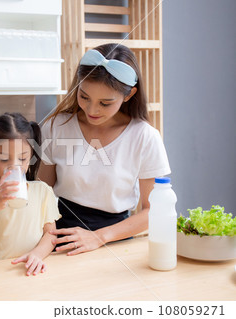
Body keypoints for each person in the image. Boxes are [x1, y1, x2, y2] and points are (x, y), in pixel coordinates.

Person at [38, 43, 170, 255]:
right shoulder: (56, 126)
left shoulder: (145, 137)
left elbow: (154, 210)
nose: (92, 109)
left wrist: (99, 237)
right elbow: (41, 191)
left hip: (117, 241)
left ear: (128, 95)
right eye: (84, 96)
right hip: (61, 238)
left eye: (105, 103)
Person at [0, 113, 61, 276]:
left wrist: (37, 255)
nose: (15, 166)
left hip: (31, 272)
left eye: (22, 158)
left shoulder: (42, 191)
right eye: (4, 159)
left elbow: (50, 235)